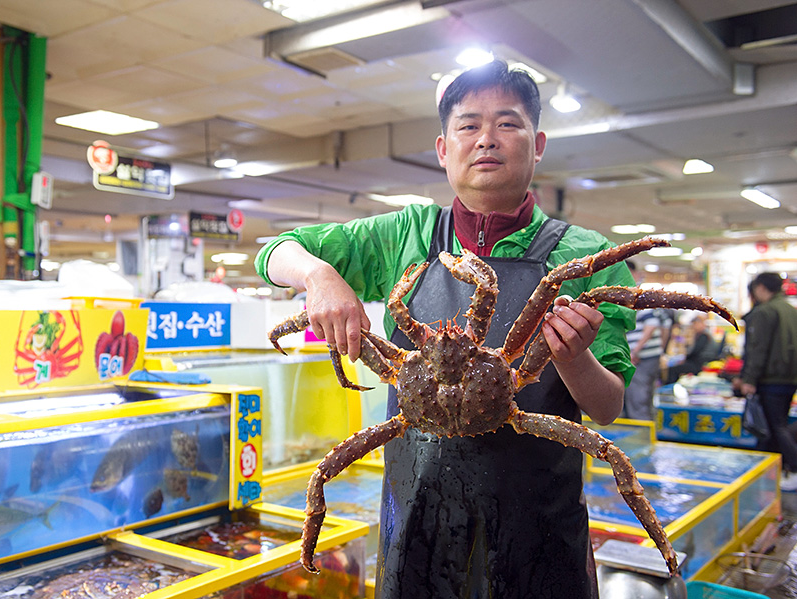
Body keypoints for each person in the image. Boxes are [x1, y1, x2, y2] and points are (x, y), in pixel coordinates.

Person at [255, 60, 636, 598]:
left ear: (538, 142)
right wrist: (317, 276)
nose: (487, 139)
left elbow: (607, 407)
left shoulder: (589, 256)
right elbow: (273, 252)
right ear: (442, 148)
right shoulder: (405, 235)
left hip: (541, 538)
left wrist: (574, 357)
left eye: (507, 123)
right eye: (468, 125)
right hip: (418, 531)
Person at [733, 273, 797, 490]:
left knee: (774, 426)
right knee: (778, 424)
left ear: (760, 288)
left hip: (770, 379)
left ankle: (793, 467)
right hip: (789, 378)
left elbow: (757, 349)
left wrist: (749, 379)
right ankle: (776, 471)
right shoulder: (790, 309)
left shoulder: (764, 311)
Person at [622, 262, 672, 420]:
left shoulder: (637, 294)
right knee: (645, 399)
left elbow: (652, 325)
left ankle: (642, 441)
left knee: (638, 401)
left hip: (640, 357)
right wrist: (660, 350)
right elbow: (665, 325)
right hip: (648, 355)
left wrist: (635, 351)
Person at [664, 314, 717, 384]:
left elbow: (695, 352)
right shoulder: (702, 334)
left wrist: (684, 359)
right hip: (698, 362)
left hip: (700, 364)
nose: (693, 327)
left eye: (694, 324)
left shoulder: (704, 335)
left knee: (672, 370)